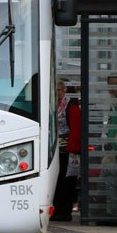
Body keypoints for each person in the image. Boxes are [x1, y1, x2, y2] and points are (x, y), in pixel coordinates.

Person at [52, 79, 82, 222]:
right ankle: (55, 209)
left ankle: (64, 211)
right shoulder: (50, 104)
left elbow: (76, 127)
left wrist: (74, 149)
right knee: (56, 180)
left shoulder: (71, 104)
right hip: (54, 148)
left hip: (67, 148)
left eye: (58, 90)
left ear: (64, 90)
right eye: (54, 89)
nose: (56, 92)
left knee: (66, 181)